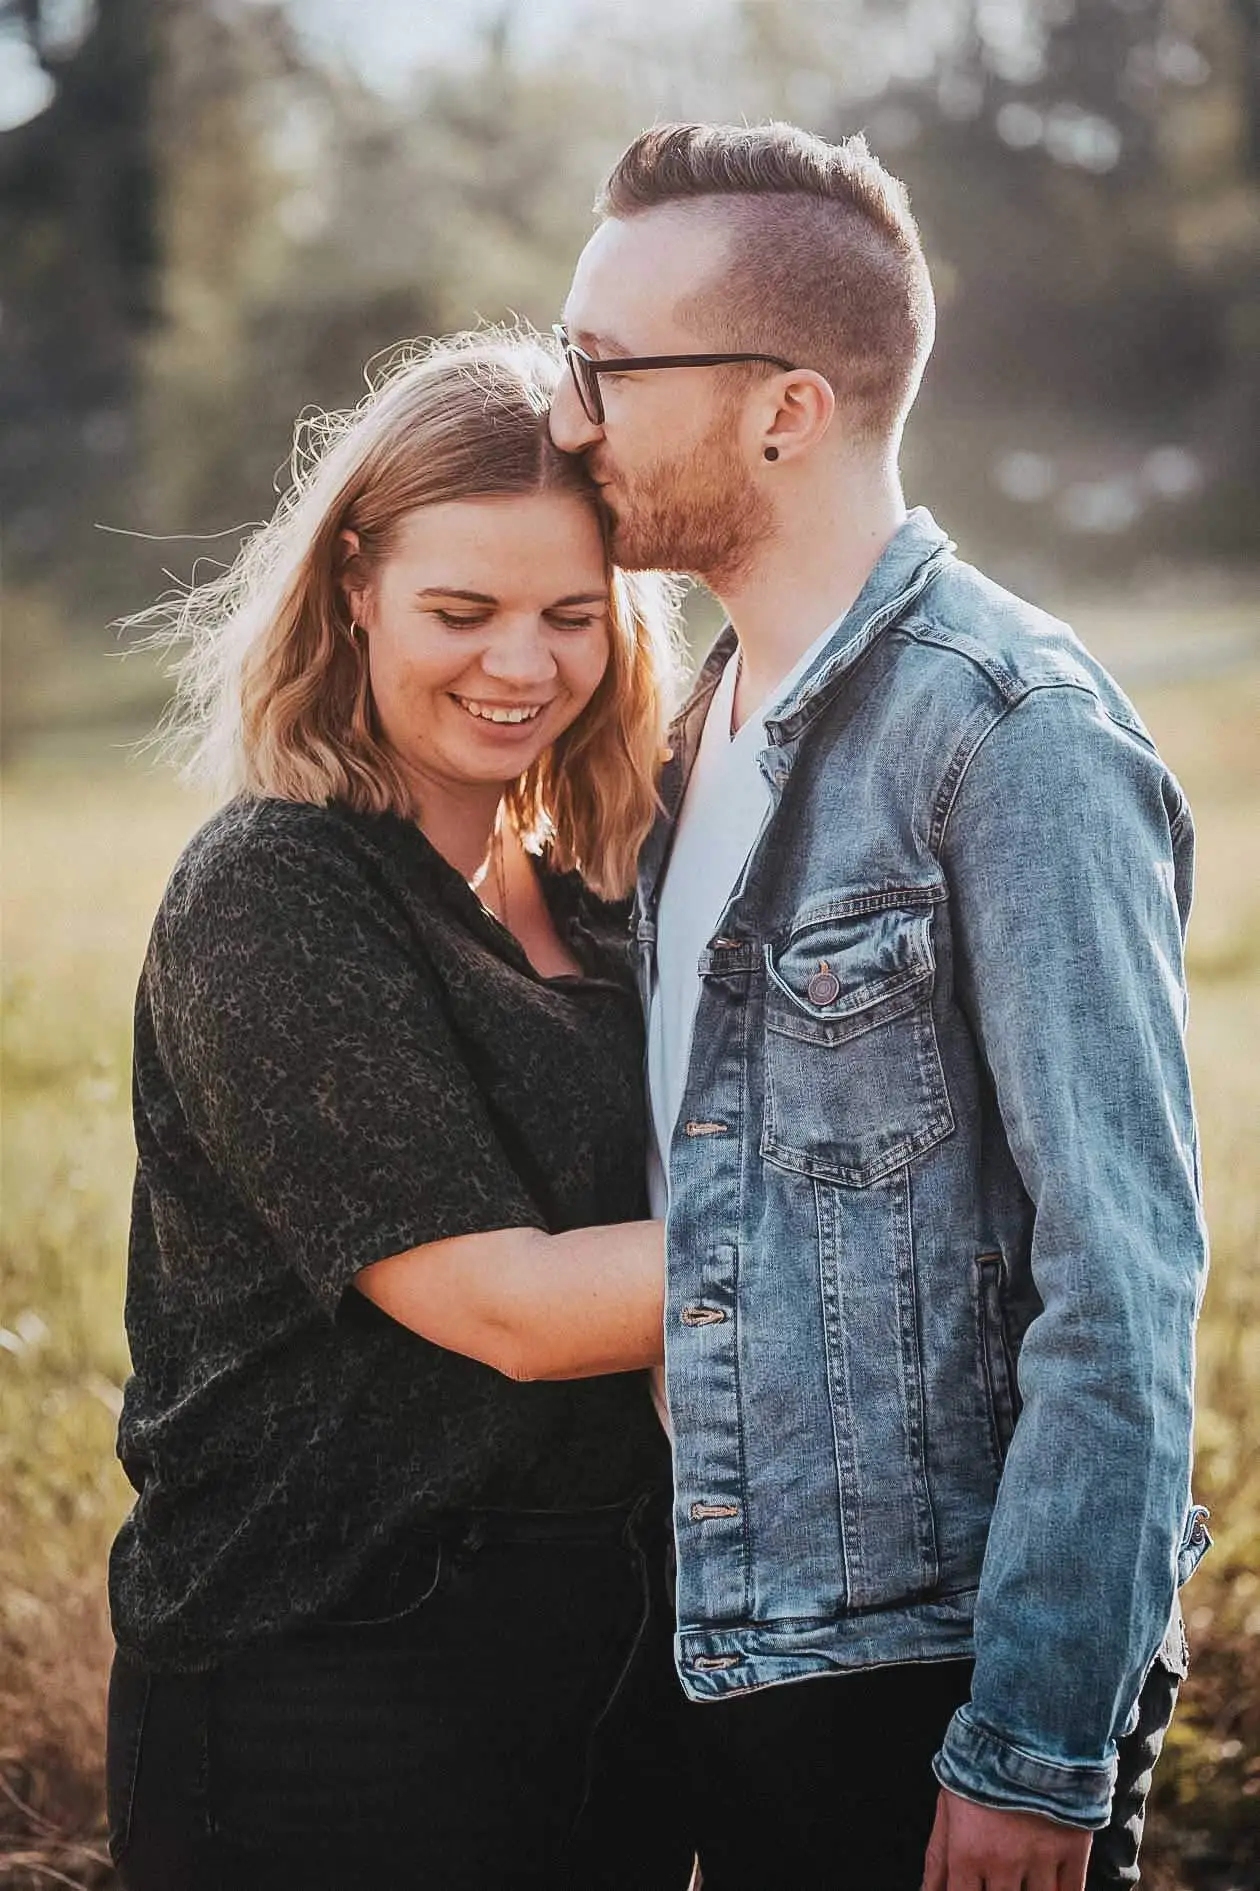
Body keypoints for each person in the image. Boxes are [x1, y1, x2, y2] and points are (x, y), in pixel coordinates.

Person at [550, 122, 1210, 1891]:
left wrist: (1037, 1743)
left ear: (783, 411)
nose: (564, 414)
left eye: (603, 365)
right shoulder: (699, 735)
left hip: (927, 1684)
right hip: (730, 1632)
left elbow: (1123, 1280)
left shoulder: (1015, 738)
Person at [104, 332, 697, 1891]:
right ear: (352, 583)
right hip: (328, 1679)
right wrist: (904, 1228)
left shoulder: (596, 880)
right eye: (462, 611)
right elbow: (512, 1306)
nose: (523, 664)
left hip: (610, 1652)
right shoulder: (274, 892)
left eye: (574, 614)